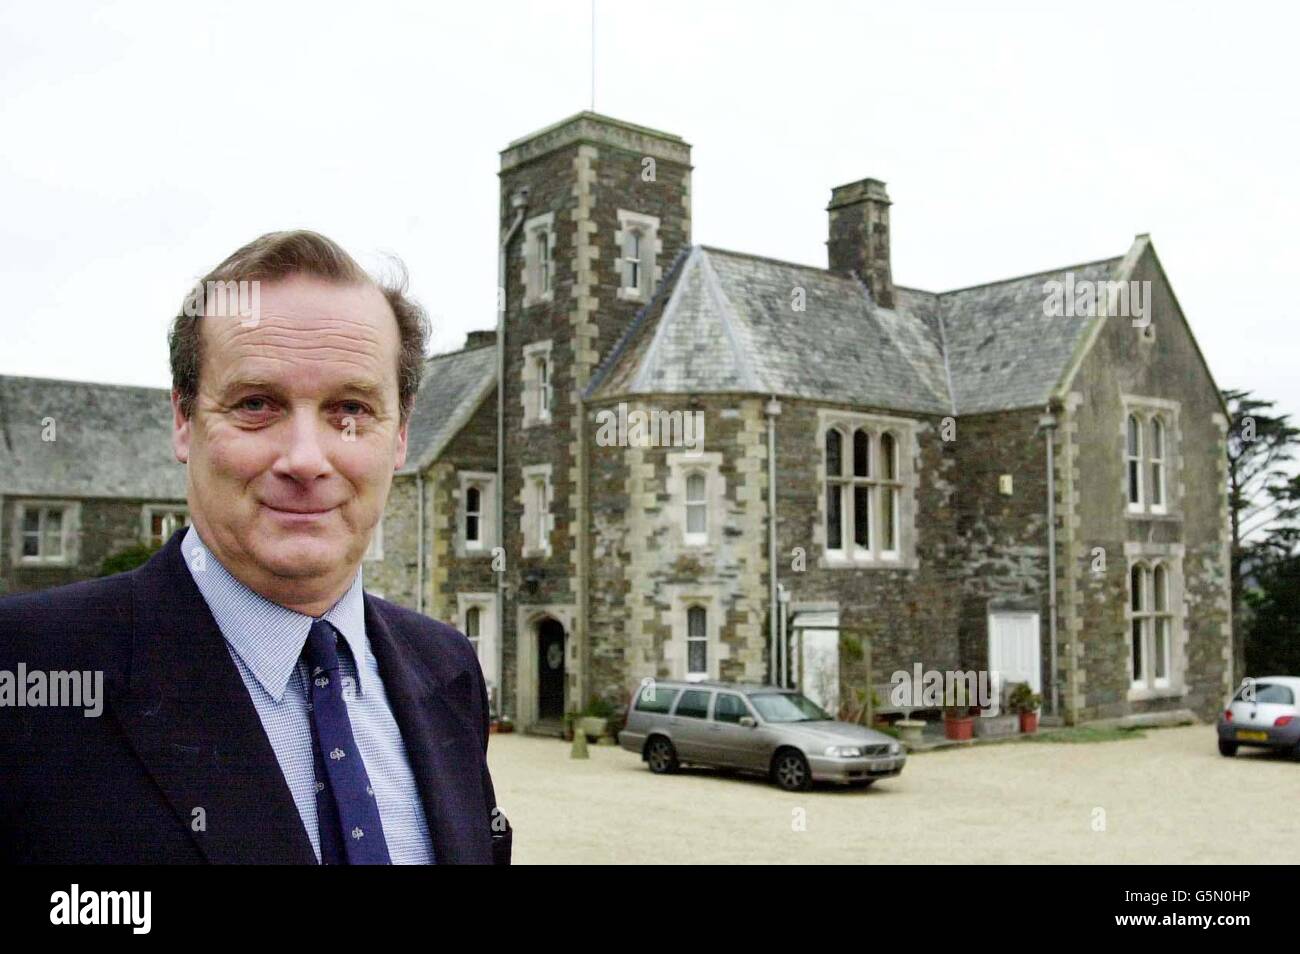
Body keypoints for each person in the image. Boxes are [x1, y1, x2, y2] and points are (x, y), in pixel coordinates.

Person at [0, 231, 510, 864]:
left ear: (400, 434)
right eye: (256, 404)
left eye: (350, 409)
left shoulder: (448, 668)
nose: (305, 459)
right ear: (184, 420)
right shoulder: (26, 667)